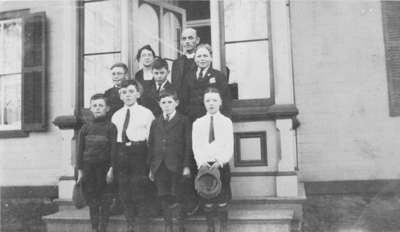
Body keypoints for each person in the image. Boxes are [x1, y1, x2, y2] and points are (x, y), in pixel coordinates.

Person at [110, 80, 154, 232]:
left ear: (138, 94)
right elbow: (113, 139)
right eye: (123, 92)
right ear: (120, 96)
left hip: (139, 152)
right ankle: (130, 223)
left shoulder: (146, 113)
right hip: (121, 152)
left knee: (139, 188)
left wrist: (149, 160)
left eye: (130, 91)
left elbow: (151, 139)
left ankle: (142, 225)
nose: (127, 95)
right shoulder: (116, 115)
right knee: (124, 188)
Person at [148, 89, 192, 232]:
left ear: (176, 103)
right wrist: (151, 167)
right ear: (159, 104)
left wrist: (186, 165)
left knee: (177, 194)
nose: (167, 105)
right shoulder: (156, 122)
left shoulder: (183, 120)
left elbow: (188, 144)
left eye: (170, 102)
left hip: (177, 164)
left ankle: (180, 225)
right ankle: (168, 225)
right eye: (163, 102)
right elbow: (152, 144)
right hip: (159, 165)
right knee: (163, 195)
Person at [192, 88, 234, 232]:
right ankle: (210, 227)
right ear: (204, 103)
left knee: (222, 199)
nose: (211, 104)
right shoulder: (198, 123)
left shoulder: (226, 122)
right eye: (208, 100)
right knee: (207, 199)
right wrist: (201, 162)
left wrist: (220, 161)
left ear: (220, 102)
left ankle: (223, 227)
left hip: (221, 165)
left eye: (214, 100)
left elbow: (229, 146)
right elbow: (196, 146)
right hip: (204, 166)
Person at [76, 93, 117, 232]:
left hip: (104, 169)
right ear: (91, 109)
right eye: (94, 106)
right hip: (89, 168)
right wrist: (80, 171)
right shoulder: (85, 128)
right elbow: (80, 150)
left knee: (105, 199)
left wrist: (112, 169)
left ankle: (103, 228)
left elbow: (113, 150)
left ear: (107, 108)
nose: (98, 108)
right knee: (92, 199)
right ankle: (94, 228)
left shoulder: (111, 127)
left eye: (101, 105)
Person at [181, 44, 232, 122]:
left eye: (205, 56)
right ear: (194, 58)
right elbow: (184, 101)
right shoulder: (188, 77)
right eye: (199, 56)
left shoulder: (219, 76)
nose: (202, 59)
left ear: (211, 58)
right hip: (192, 120)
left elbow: (226, 101)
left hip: (213, 119)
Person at [103, 62, 128, 216]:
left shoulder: (129, 91)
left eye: (119, 73)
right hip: (113, 133)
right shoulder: (108, 93)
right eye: (114, 74)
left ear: (125, 75)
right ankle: (116, 202)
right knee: (114, 167)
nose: (116, 77)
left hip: (128, 134)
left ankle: (127, 202)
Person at [171, 28, 199, 103]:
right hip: (181, 106)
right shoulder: (176, 63)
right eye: (184, 39)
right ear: (181, 42)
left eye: (190, 38)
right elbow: (175, 87)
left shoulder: (202, 60)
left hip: (198, 105)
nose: (187, 41)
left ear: (197, 40)